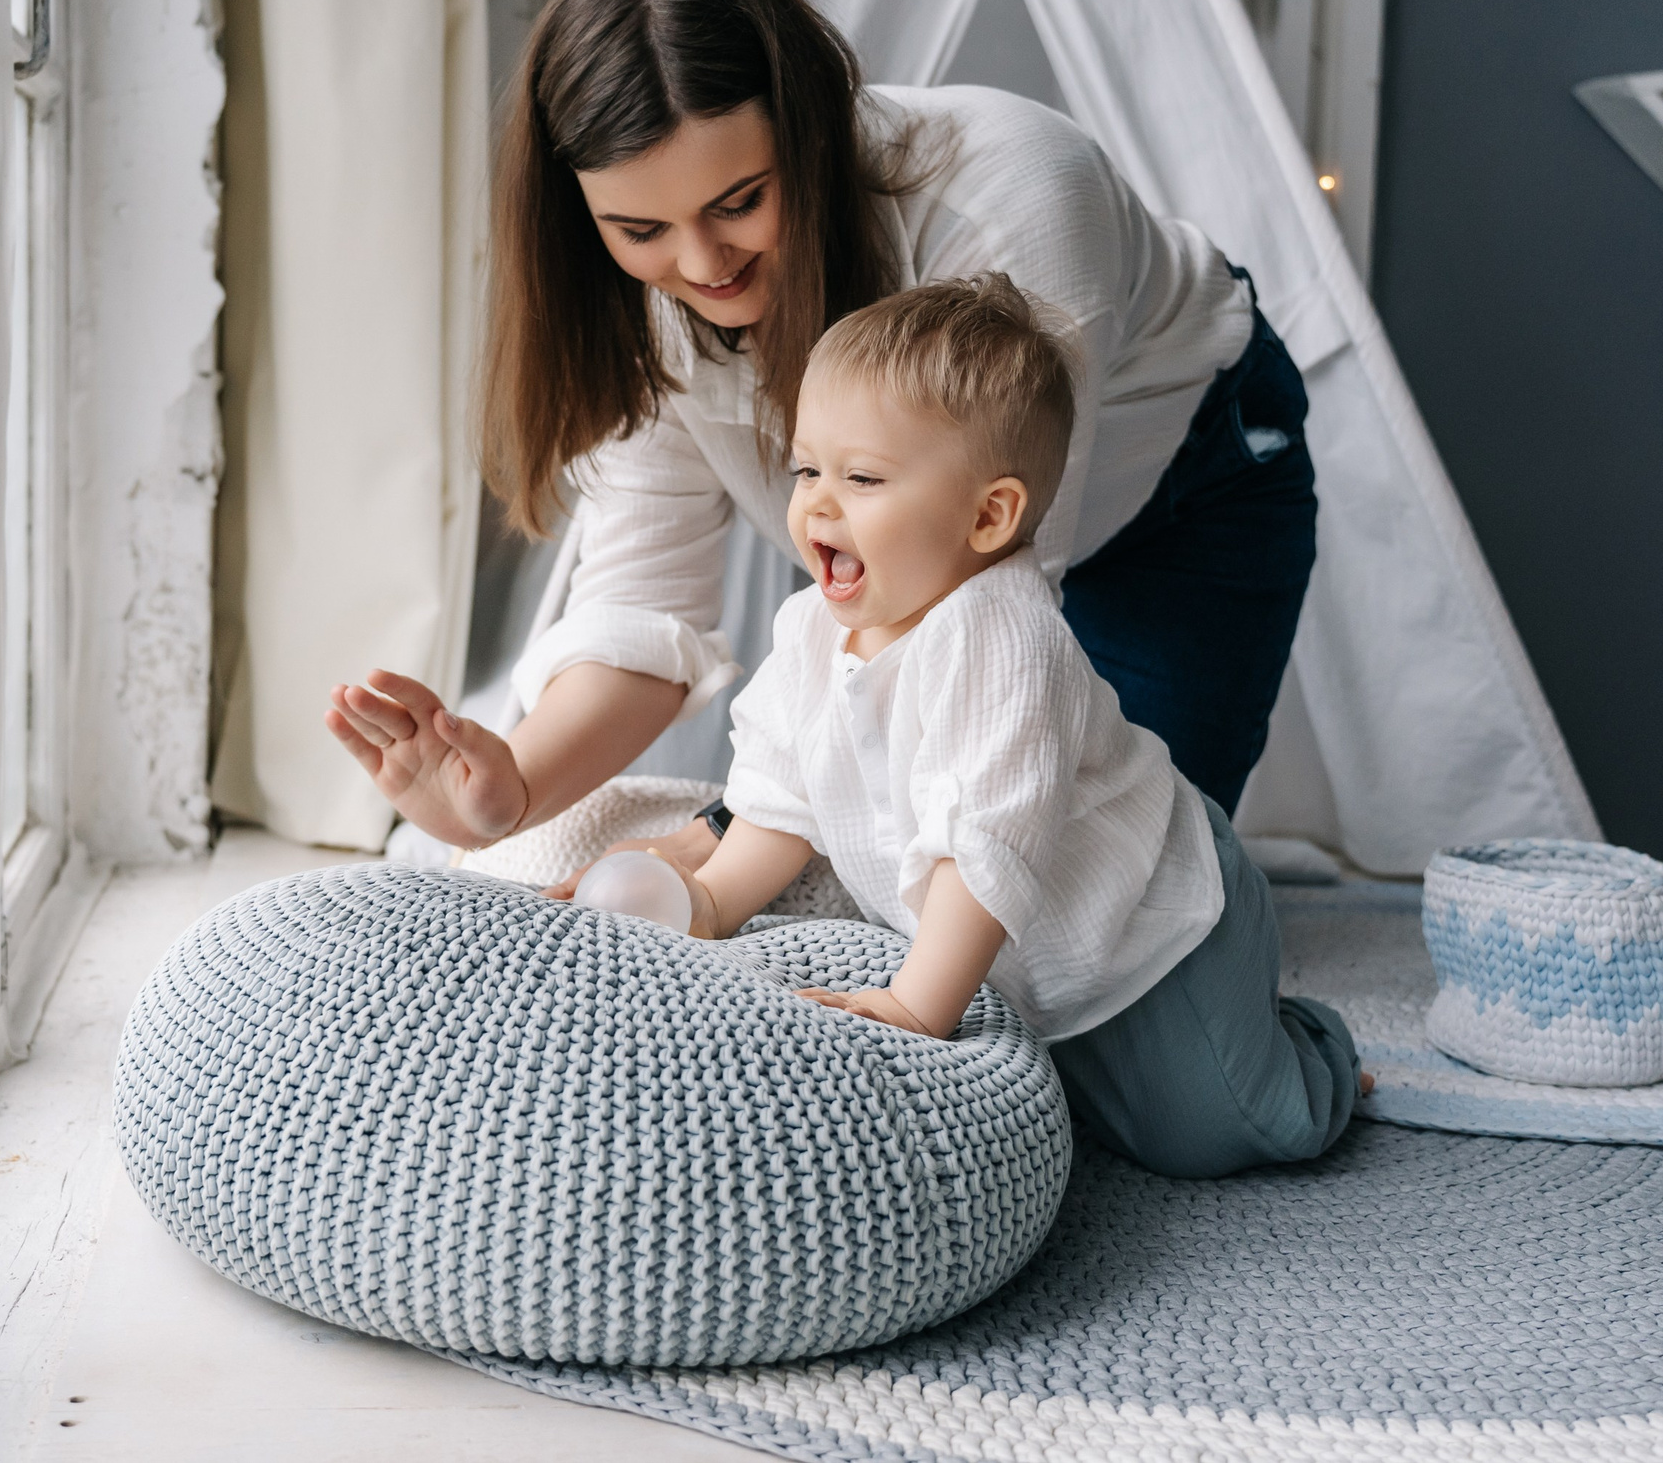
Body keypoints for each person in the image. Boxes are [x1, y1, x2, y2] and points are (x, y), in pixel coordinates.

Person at [324, 0, 1314, 902]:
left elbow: (979, 606)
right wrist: (511, 786)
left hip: (1190, 490)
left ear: (808, 123)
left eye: (740, 200)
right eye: (640, 229)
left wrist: (731, 829)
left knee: (1127, 920)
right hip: (952, 578)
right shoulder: (648, 302)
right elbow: (643, 604)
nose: (703, 266)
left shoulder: (1013, 195)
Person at [582, 275, 1359, 1179]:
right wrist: (710, 901)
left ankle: (1313, 1044)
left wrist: (917, 1009)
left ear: (989, 515)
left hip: (1153, 932)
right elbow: (778, 799)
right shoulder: (810, 630)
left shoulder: (1005, 637)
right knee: (1072, 1109)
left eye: (863, 478)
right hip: (1014, 955)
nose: (818, 505)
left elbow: (985, 850)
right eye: (806, 470)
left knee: (1221, 1131)